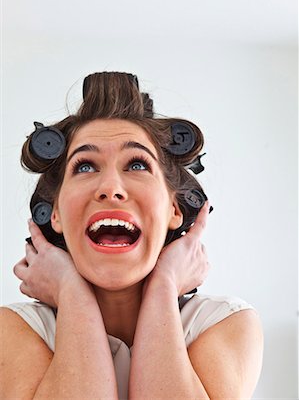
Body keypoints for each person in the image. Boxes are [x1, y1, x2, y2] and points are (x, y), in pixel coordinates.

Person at [1, 72, 263, 400]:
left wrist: (163, 285)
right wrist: (71, 293)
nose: (110, 188)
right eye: (84, 166)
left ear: (174, 210)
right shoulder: (14, 329)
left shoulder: (225, 323)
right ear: (55, 214)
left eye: (137, 165)